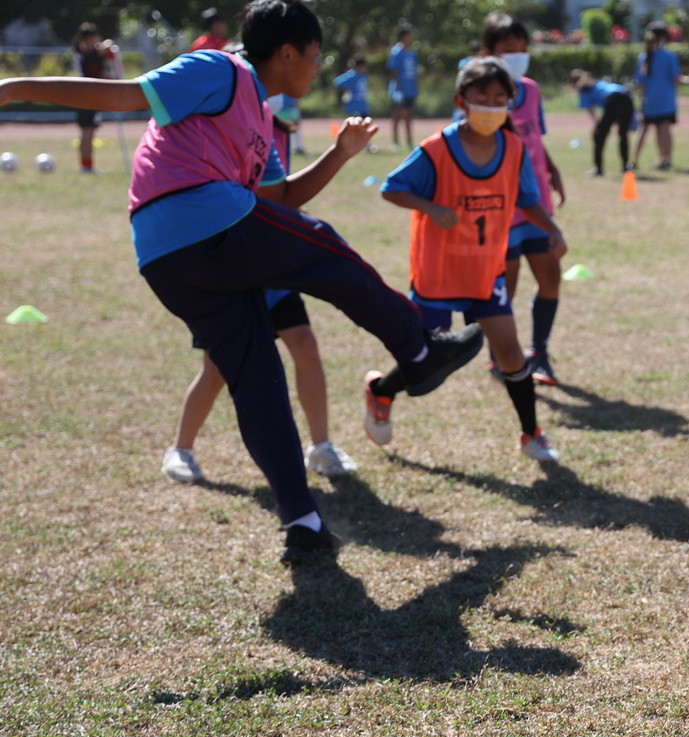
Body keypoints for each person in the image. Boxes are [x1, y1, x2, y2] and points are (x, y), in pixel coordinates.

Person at [0, 0, 484, 566]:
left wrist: (338, 154)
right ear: (286, 53)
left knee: (256, 376)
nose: (317, 67)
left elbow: (279, 202)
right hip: (201, 220)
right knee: (326, 249)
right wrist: (10, 87)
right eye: (314, 56)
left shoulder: (260, 117)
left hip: (169, 259)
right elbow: (125, 96)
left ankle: (302, 521)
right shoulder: (220, 69)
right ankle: (417, 349)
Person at [376, 57, 568, 463]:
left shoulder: (513, 148)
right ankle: (380, 391)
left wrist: (552, 229)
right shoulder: (436, 149)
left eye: (501, 98)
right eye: (482, 97)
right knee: (425, 365)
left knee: (511, 353)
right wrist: (429, 207)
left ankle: (531, 433)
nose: (492, 105)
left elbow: (528, 200)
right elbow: (392, 189)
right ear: (461, 101)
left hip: (485, 271)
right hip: (439, 273)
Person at [162, 289, 358, 483]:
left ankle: (321, 447)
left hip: (270, 281)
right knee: (216, 370)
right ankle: (180, 450)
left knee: (305, 344)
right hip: (228, 285)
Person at [480, 13, 567, 386]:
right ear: (489, 53)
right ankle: (501, 354)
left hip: (537, 203)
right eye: (506, 50)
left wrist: (552, 169)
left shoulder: (530, 90)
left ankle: (539, 352)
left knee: (550, 276)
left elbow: (535, 139)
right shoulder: (482, 97)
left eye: (521, 48)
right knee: (507, 286)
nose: (516, 55)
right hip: (501, 209)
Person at [633, 21, 684, 171]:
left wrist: (641, 102)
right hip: (666, 100)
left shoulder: (643, 57)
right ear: (663, 37)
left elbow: (641, 83)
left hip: (649, 101)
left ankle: (633, 160)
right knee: (664, 130)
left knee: (643, 130)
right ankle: (665, 159)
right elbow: (675, 78)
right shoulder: (669, 56)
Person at [569, 69, 633, 177]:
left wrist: (597, 126)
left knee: (599, 136)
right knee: (623, 134)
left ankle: (598, 168)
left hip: (614, 100)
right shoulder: (596, 82)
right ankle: (625, 166)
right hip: (626, 97)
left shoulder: (584, 89)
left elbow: (591, 111)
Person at [71, 23, 115, 174]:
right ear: (91, 37)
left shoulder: (83, 52)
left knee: (87, 132)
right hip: (88, 96)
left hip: (85, 96)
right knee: (87, 133)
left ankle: (86, 165)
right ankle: (86, 166)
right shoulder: (88, 54)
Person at [387, 24, 419, 150]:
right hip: (400, 90)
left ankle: (409, 142)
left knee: (409, 116)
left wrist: (416, 88)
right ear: (404, 36)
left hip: (411, 90)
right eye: (409, 34)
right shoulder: (396, 52)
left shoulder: (412, 53)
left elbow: (415, 73)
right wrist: (398, 89)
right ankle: (395, 142)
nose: (411, 37)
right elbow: (394, 72)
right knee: (397, 116)